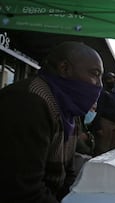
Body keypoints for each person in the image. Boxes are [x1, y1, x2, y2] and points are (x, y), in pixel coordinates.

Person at [0, 41, 103, 202]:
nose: (100, 84)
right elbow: (23, 191)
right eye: (94, 74)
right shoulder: (28, 102)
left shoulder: (69, 111)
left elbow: (66, 175)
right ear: (64, 69)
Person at [93, 72, 115, 155]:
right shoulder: (102, 93)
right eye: (110, 79)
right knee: (103, 148)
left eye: (114, 79)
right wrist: (97, 127)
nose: (113, 81)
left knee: (114, 149)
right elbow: (98, 110)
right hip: (106, 122)